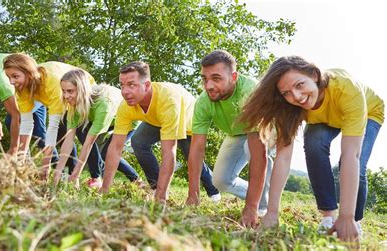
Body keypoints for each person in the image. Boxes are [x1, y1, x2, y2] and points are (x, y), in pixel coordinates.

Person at [240, 56, 384, 242]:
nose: (296, 97)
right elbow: (283, 158)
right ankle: (329, 216)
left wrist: (346, 216)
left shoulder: (347, 90)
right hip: (325, 118)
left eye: (300, 85)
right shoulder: (292, 107)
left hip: (370, 112)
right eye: (286, 93)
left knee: (355, 164)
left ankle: (353, 221)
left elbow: (351, 155)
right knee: (314, 143)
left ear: (314, 75)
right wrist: (272, 212)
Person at [99, 61, 220, 202]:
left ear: (147, 85)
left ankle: (214, 192)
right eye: (122, 85)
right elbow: (115, 147)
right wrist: (105, 189)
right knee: (138, 142)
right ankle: (157, 186)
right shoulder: (126, 106)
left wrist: (161, 198)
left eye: (131, 85)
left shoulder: (167, 99)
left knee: (191, 157)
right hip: (157, 118)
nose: (125, 92)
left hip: (188, 119)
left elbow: (168, 151)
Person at [185, 50, 272, 227]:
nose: (208, 85)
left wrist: (250, 207)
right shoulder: (203, 102)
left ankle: (262, 205)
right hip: (235, 133)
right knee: (220, 180)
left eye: (216, 78)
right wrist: (193, 194)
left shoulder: (250, 92)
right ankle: (256, 194)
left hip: (265, 131)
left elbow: (258, 153)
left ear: (233, 76)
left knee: (252, 150)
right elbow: (197, 148)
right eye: (205, 79)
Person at [3, 53, 95, 176]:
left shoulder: (52, 82)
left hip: (82, 91)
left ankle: (93, 176)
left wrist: (44, 168)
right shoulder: (22, 88)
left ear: (28, 73)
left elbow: (52, 127)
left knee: (82, 134)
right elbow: (26, 123)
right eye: (9, 77)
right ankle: (65, 174)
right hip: (59, 98)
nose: (11, 82)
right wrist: (21, 159)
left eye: (15, 76)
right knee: (62, 135)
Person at [53, 69, 140, 188]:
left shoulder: (102, 104)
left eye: (70, 91)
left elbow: (88, 144)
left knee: (108, 152)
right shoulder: (75, 104)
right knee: (82, 130)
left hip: (128, 119)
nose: (66, 96)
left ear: (82, 90)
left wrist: (76, 175)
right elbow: (68, 141)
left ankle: (136, 180)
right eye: (63, 91)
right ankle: (97, 177)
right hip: (106, 116)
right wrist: (57, 173)